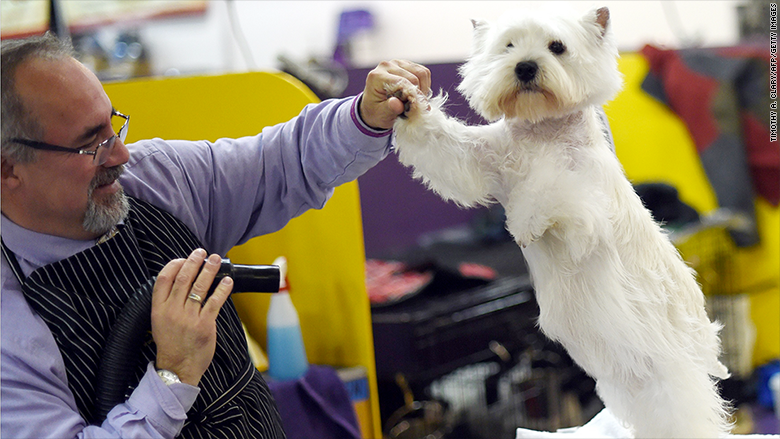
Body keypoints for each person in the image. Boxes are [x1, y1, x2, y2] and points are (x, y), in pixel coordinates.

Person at [0, 32, 430, 439]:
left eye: (114, 124)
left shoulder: (155, 182)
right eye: (90, 144)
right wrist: (173, 376)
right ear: (8, 169)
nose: (121, 154)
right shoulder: (9, 329)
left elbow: (281, 162)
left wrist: (363, 117)